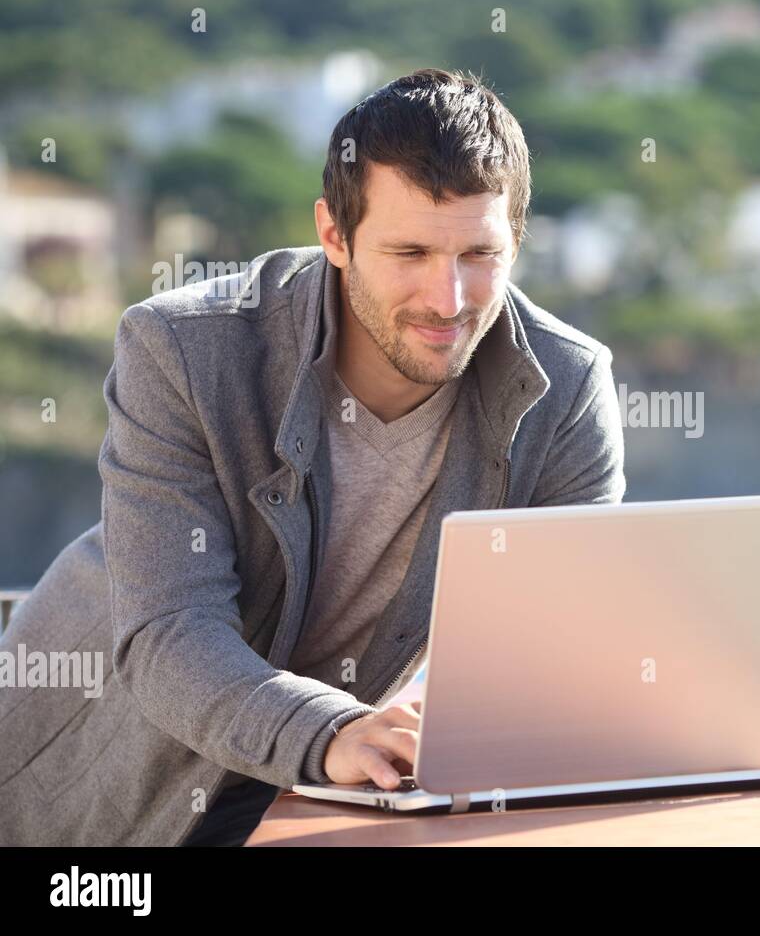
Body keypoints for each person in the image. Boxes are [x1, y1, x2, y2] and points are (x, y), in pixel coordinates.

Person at [0, 68, 626, 846]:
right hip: (87, 787)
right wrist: (334, 733)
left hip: (309, 793)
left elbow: (552, 643)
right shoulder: (184, 350)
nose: (449, 298)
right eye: (409, 253)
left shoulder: (565, 389)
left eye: (479, 254)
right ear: (334, 235)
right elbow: (170, 630)